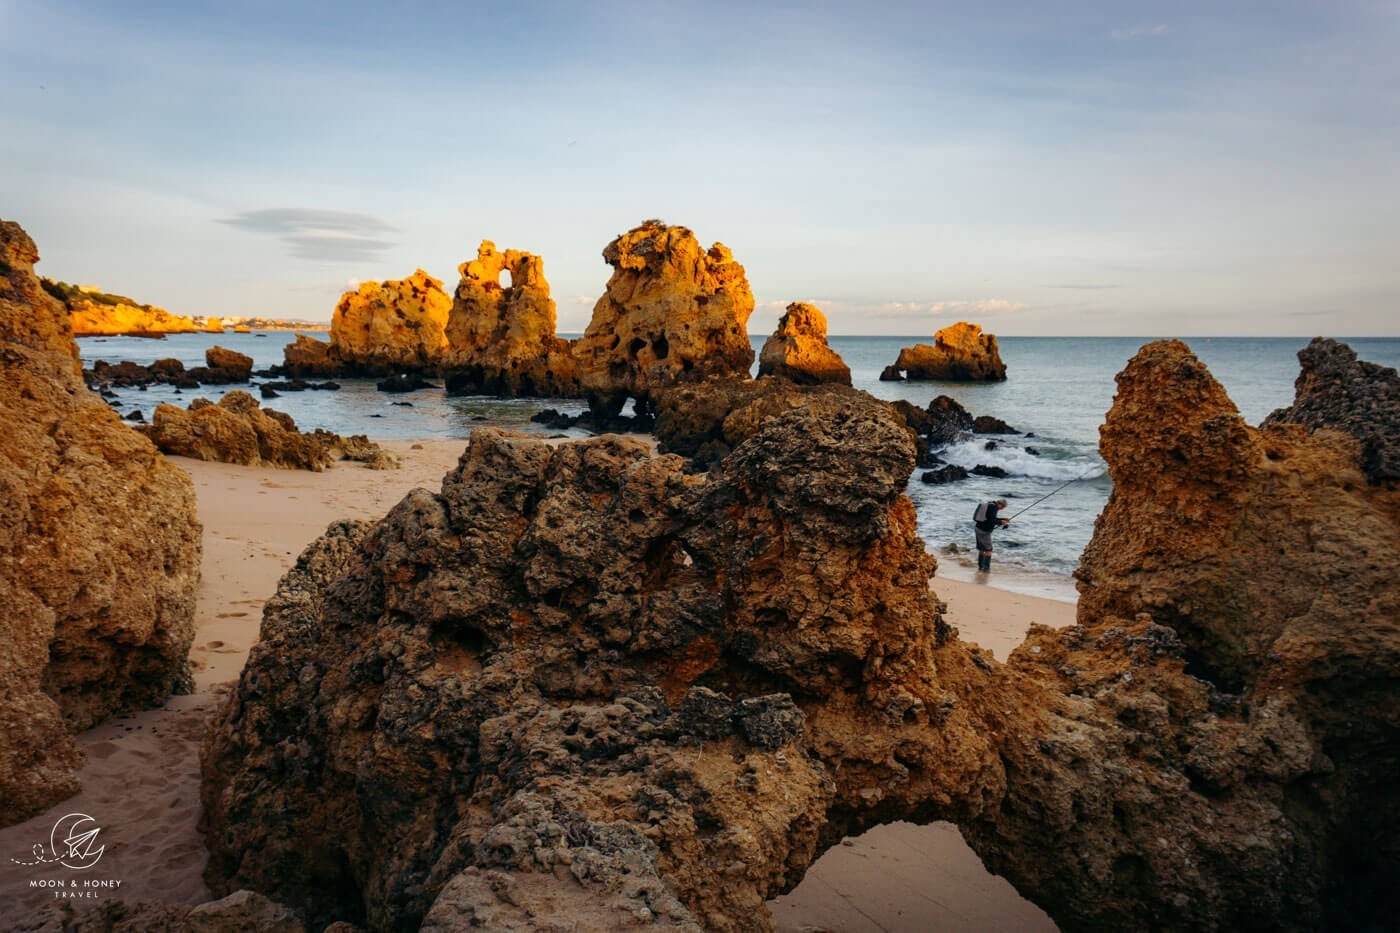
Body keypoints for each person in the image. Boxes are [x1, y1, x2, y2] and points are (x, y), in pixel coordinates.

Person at [973, 498, 1010, 573]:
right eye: (1002, 507)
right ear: (1000, 504)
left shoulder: (990, 505)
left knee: (982, 549)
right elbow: (991, 521)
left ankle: (980, 567)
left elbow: (990, 518)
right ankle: (986, 569)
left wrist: (1003, 519)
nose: (1002, 509)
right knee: (988, 549)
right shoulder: (994, 508)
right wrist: (1001, 522)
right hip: (984, 531)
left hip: (978, 528)